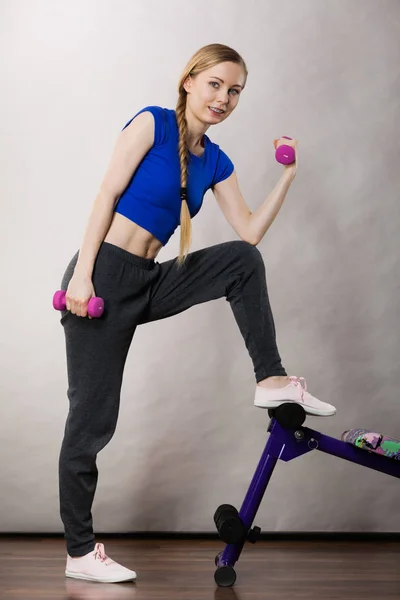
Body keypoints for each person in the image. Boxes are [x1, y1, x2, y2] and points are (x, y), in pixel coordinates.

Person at [58, 43, 336, 584]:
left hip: (150, 280)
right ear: (189, 81)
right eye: (215, 84)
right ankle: (79, 549)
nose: (224, 98)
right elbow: (105, 195)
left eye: (234, 91)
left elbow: (249, 231)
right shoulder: (152, 124)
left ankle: (271, 378)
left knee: (242, 260)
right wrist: (82, 275)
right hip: (103, 281)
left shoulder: (216, 159)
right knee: (91, 423)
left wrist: (289, 177)